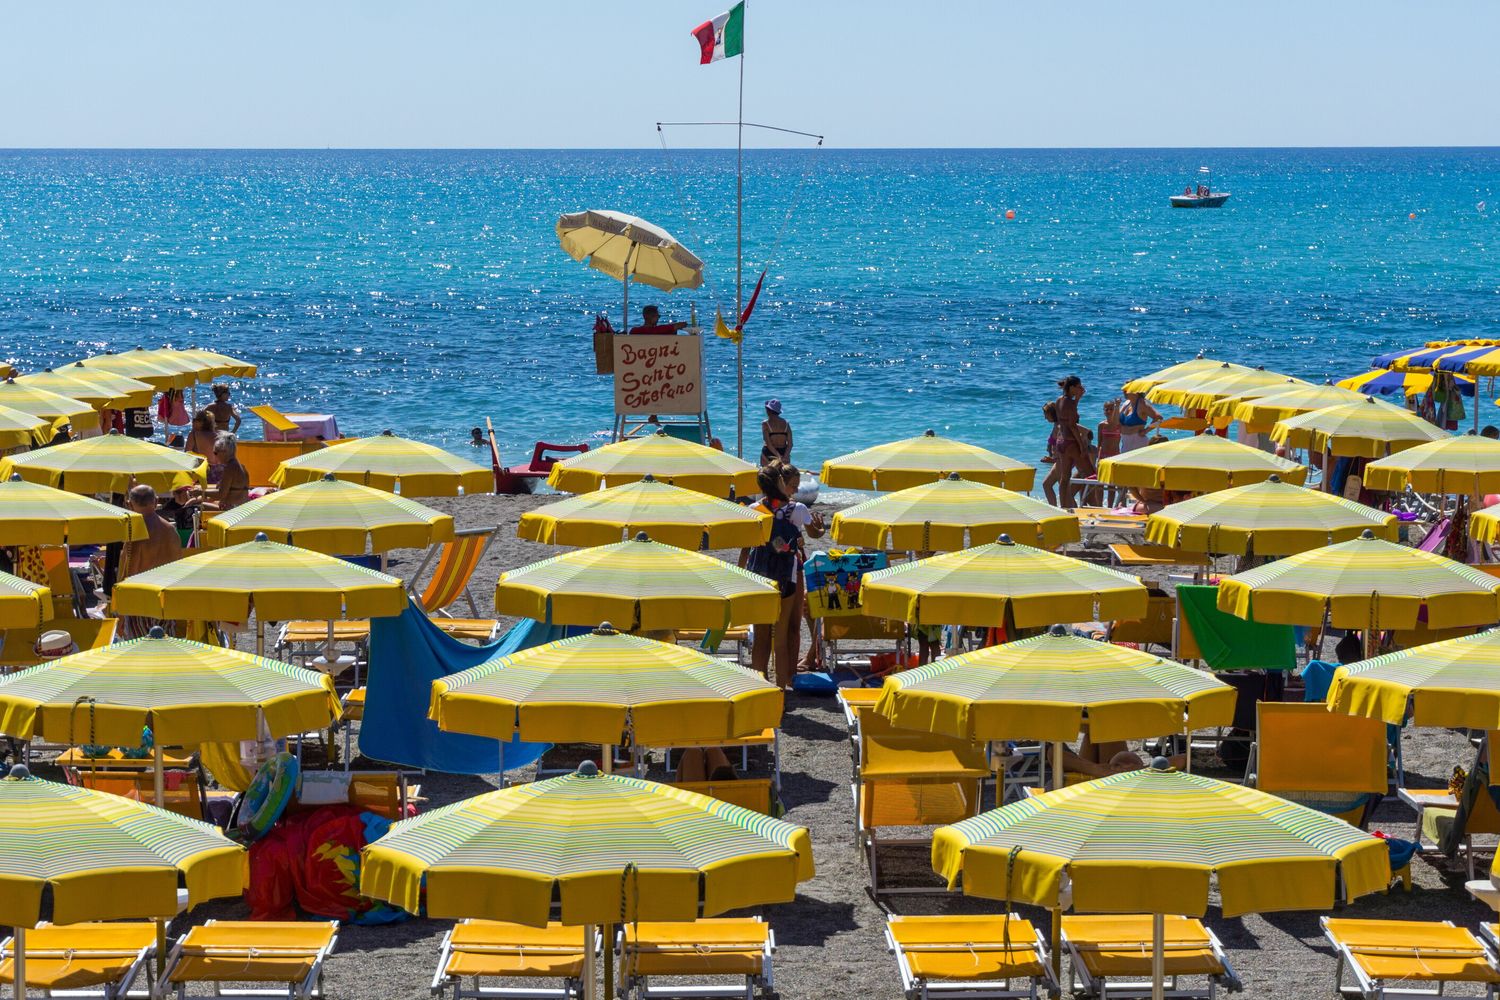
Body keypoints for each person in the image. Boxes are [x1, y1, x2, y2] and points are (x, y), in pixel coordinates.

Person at [740, 465, 803, 690]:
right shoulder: (795, 509)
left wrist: (740, 574)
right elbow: (803, 541)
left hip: (760, 577)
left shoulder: (754, 509)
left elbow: (746, 549)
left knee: (761, 636)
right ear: (779, 482)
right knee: (782, 637)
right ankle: (781, 690)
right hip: (785, 576)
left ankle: (760, 687)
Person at [1043, 375, 1093, 508]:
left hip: (1061, 442)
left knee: (1064, 478)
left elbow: (1067, 413)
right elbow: (1072, 425)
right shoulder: (1070, 403)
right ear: (1071, 387)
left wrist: (1077, 399)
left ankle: (1064, 508)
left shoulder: (1059, 400)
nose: (1080, 389)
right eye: (1078, 387)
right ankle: (1097, 506)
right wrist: (1082, 446)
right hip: (1071, 442)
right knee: (1092, 474)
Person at [203, 432, 250, 511]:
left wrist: (201, 492)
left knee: (196, 507)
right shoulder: (241, 467)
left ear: (224, 452)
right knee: (196, 503)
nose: (215, 456)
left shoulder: (230, 468)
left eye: (215, 453)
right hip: (242, 508)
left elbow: (221, 494)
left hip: (233, 510)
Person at [1096, 399, 1122, 505]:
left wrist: (1117, 406)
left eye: (1111, 409)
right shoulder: (1101, 425)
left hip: (1114, 456)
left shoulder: (1118, 425)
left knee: (1111, 484)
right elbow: (1099, 443)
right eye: (1106, 409)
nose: (1108, 411)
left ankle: (1110, 507)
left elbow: (1116, 422)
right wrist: (1098, 459)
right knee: (1100, 484)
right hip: (1103, 456)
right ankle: (1099, 506)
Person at [761, 399, 793, 466]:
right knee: (784, 475)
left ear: (768, 411)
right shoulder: (786, 423)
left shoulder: (765, 424)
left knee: (766, 475)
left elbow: (769, 444)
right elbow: (790, 444)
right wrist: (785, 456)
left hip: (769, 454)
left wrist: (778, 457)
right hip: (784, 453)